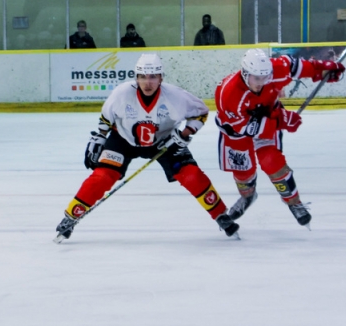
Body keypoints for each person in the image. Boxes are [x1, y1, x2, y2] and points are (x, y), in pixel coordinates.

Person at [55, 53, 239, 242]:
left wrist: (184, 134)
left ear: (161, 78)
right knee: (102, 176)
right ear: (136, 77)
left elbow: (201, 112)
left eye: (153, 77)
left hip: (164, 143)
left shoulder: (175, 96)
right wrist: (100, 139)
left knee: (191, 174)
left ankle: (220, 215)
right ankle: (70, 217)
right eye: (142, 77)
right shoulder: (122, 93)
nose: (147, 82)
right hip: (123, 140)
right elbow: (106, 119)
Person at [214, 48, 345, 228]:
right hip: (236, 131)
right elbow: (247, 128)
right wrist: (282, 121)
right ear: (245, 73)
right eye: (256, 78)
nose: (261, 83)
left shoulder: (275, 69)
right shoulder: (228, 94)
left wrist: (322, 70)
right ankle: (247, 196)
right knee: (243, 170)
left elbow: (296, 67)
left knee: (271, 161)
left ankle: (294, 202)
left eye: (265, 77)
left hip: (269, 115)